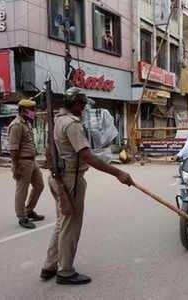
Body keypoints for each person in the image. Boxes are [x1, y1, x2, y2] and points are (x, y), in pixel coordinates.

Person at [41, 87, 134, 285]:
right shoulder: (72, 124)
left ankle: (50, 265)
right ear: (73, 103)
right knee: (70, 226)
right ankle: (65, 271)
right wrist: (119, 173)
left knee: (61, 223)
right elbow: (87, 156)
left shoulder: (57, 120)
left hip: (58, 177)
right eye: (81, 103)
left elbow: (50, 151)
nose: (83, 107)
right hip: (70, 179)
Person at [8, 99, 45, 230]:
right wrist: (15, 166)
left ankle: (29, 210)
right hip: (22, 161)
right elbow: (13, 149)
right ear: (24, 110)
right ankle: (22, 216)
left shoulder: (26, 123)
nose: (34, 112)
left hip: (31, 160)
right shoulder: (17, 125)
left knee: (39, 185)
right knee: (22, 190)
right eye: (32, 110)